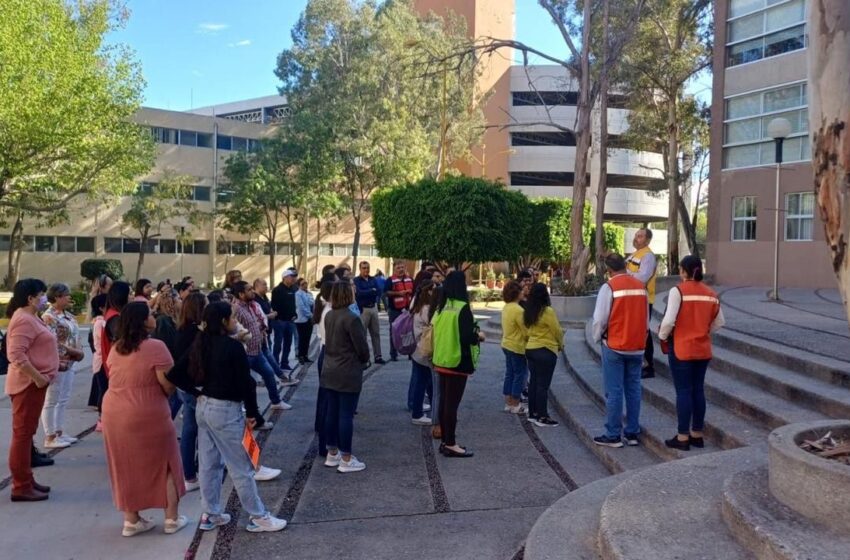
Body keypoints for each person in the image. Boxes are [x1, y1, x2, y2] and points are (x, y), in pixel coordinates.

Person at [167, 302, 288, 533]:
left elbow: (175, 374)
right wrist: (253, 414)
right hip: (226, 411)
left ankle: (211, 513)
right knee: (241, 466)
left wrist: (197, 392)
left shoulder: (200, 342)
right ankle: (258, 516)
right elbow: (247, 384)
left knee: (209, 464)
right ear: (224, 321)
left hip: (204, 408)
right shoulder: (232, 347)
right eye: (233, 318)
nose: (236, 322)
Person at [102, 302, 187, 536]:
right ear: (142, 321)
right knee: (167, 462)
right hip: (147, 408)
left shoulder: (117, 347)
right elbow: (167, 384)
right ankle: (171, 518)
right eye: (150, 314)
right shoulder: (156, 347)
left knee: (125, 463)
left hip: (113, 409)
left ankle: (131, 519)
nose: (154, 316)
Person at [659, 255, 725, 451]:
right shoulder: (711, 293)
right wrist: (703, 332)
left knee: (683, 392)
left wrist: (663, 336)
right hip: (702, 349)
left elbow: (669, 320)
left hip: (681, 348)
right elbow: (720, 322)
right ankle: (697, 434)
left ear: (684, 271)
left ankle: (682, 437)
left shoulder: (678, 291)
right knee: (698, 390)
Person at [5, 279, 58, 501]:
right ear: (30, 298)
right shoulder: (23, 320)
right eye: (42, 295)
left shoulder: (30, 318)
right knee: (22, 435)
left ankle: (27, 479)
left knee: (26, 435)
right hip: (27, 386)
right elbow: (16, 355)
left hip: (35, 384)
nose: (44, 298)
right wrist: (38, 379)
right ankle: (21, 485)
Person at [591, 253, 648, 448]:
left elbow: (600, 319)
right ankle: (632, 432)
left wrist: (597, 337)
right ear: (625, 265)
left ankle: (613, 434)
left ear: (608, 270)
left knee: (614, 391)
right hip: (637, 346)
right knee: (633, 390)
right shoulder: (641, 287)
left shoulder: (609, 287)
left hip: (614, 345)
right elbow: (645, 318)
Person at [431, 271, 483, 458]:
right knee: (452, 405)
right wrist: (478, 336)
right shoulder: (462, 308)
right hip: (457, 361)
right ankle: (451, 443)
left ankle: (446, 440)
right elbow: (467, 336)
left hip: (441, 359)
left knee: (445, 403)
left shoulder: (442, 307)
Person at [321, 281, 370, 473]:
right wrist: (364, 360)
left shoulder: (330, 315)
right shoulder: (352, 318)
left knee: (332, 412)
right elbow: (361, 348)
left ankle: (332, 453)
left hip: (330, 368)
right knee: (345, 414)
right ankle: (346, 458)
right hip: (347, 370)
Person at [232, 281, 292, 411]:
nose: (252, 291)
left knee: (269, 374)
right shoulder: (236, 309)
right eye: (249, 290)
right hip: (244, 353)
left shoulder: (251, 305)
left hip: (257, 350)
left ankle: (276, 401)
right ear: (241, 294)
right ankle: (241, 405)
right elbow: (232, 330)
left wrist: (260, 328)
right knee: (243, 381)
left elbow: (256, 321)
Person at [40, 283, 85, 449]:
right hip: (58, 363)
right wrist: (69, 352)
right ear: (57, 297)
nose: (68, 298)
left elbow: (75, 337)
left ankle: (59, 431)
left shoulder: (68, 316)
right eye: (65, 295)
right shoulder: (49, 317)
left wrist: (77, 351)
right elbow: (51, 342)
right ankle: (50, 436)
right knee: (52, 399)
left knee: (63, 399)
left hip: (71, 362)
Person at [174, 292, 207, 491]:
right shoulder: (195, 333)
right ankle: (191, 473)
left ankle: (189, 473)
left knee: (190, 429)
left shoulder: (183, 329)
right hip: (194, 387)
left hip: (187, 386)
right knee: (193, 430)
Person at [524, 283, 564, 427]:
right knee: (543, 385)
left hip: (531, 349)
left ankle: (533, 413)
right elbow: (557, 330)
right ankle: (542, 416)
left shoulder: (529, 310)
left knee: (534, 382)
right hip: (546, 349)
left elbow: (527, 331)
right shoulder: (547, 311)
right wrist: (561, 345)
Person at [626, 228, 657, 378]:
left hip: (644, 299)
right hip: (634, 299)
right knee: (638, 331)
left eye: (640, 236)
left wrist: (626, 275)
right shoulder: (634, 254)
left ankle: (649, 366)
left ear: (648, 240)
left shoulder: (648, 256)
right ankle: (640, 363)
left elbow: (642, 277)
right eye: (636, 235)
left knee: (644, 332)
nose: (636, 238)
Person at [410, 280, 436, 425]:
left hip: (417, 349)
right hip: (423, 350)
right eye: (433, 290)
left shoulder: (416, 305)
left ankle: (433, 407)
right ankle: (417, 413)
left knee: (426, 381)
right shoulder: (426, 309)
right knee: (422, 381)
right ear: (428, 292)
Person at [501, 280, 528, 415]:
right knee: (519, 374)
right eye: (521, 290)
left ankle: (508, 402)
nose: (523, 292)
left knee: (509, 373)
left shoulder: (506, 307)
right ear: (516, 293)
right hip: (517, 345)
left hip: (506, 343)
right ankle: (516, 403)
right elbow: (525, 329)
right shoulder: (518, 310)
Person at [353, 261, 385, 364]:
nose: (366, 270)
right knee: (363, 334)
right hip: (363, 309)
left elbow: (379, 291)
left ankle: (378, 356)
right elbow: (359, 293)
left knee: (376, 333)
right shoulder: (356, 280)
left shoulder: (373, 279)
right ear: (360, 269)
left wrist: (370, 291)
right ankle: (365, 357)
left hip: (373, 308)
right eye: (364, 268)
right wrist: (371, 290)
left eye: (367, 268)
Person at [385, 261, 414, 361]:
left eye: (402, 267)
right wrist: (398, 293)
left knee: (410, 331)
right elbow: (386, 293)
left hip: (408, 309)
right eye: (398, 268)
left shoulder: (410, 279)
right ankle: (393, 354)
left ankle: (411, 352)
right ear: (394, 269)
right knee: (394, 331)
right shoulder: (390, 280)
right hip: (395, 310)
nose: (401, 269)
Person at [271, 270, 299, 371]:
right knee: (278, 343)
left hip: (290, 321)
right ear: (285, 277)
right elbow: (275, 306)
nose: (293, 279)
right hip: (280, 321)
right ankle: (275, 363)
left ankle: (284, 362)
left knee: (288, 343)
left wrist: (294, 314)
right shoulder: (277, 290)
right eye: (291, 277)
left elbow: (294, 305)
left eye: (294, 277)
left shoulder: (294, 289)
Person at [90, 294, 109, 432]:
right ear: (102, 307)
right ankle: (101, 419)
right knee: (104, 390)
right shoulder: (100, 323)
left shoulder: (102, 321)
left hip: (103, 360)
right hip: (102, 361)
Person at [294, 278, 315, 363]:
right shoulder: (298, 294)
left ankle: (305, 355)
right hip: (301, 319)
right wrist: (310, 315)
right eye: (303, 284)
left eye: (306, 283)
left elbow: (312, 303)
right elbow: (301, 307)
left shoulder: (308, 293)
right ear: (299, 285)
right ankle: (300, 356)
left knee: (307, 338)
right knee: (302, 338)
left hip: (309, 319)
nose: (305, 285)